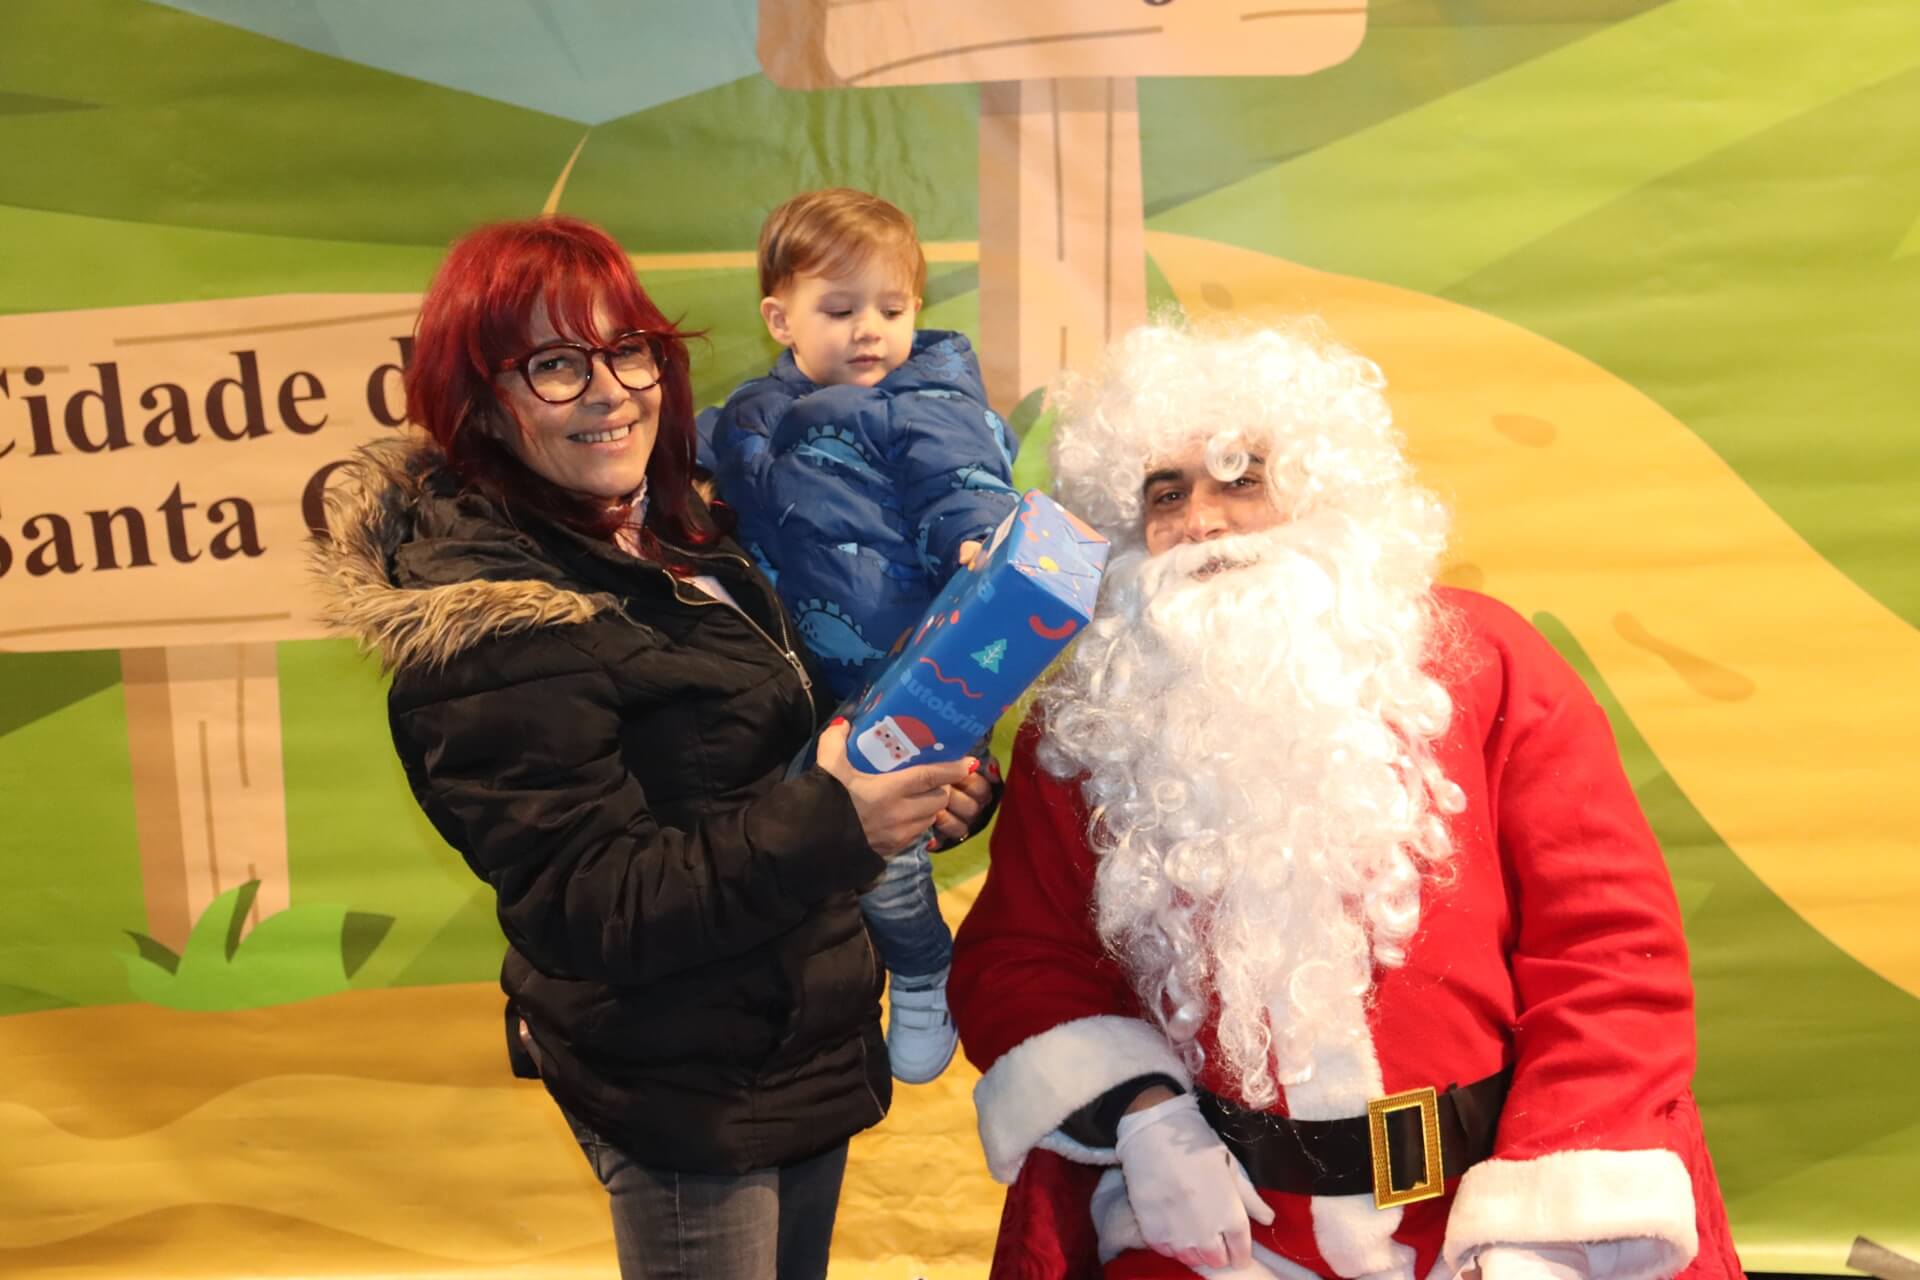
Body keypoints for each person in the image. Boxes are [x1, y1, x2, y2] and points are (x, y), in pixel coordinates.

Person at [947, 320, 1743, 1280]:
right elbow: (1019, 959)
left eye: (1240, 479)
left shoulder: (1488, 664)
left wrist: (1543, 1231)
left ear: (1321, 494)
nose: (1201, 523)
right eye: (1166, 494)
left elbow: (1609, 952)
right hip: (1219, 1241)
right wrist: (1140, 1115)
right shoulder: (1089, 724)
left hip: (1487, 1233)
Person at [311, 215, 994, 1280]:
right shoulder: (493, 622)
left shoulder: (686, 532)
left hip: (798, 1043)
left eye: (627, 349)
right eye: (555, 363)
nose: (609, 391)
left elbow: (799, 729)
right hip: (687, 1086)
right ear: (479, 399)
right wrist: (838, 818)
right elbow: (596, 902)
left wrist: (932, 787)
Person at [700, 187, 1021, 1084]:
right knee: (794, 844)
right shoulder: (754, 411)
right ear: (781, 319)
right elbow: (697, 457)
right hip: (798, 680)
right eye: (840, 311)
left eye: (892, 308)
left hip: (911, 680)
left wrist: (979, 540)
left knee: (886, 859)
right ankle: (840, 988)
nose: (870, 330)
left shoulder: (927, 400)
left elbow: (962, 481)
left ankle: (921, 968)